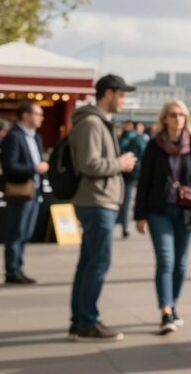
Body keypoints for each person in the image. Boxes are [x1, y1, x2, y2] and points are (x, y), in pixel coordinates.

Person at [69, 74, 138, 342]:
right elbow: (89, 164)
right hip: (97, 201)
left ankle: (80, 320)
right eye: (121, 95)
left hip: (98, 200)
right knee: (98, 262)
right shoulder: (91, 123)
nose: (123, 100)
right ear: (108, 93)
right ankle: (87, 321)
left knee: (88, 262)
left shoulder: (96, 122)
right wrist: (119, 164)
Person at [133, 100, 191, 334]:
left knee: (181, 263)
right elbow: (144, 180)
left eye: (182, 115)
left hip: (186, 211)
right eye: (173, 115)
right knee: (166, 260)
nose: (178, 120)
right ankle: (165, 311)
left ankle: (173, 302)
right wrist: (140, 215)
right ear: (164, 118)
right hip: (159, 211)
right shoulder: (154, 146)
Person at [1, 102, 47, 285]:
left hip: (33, 192)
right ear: (26, 115)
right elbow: (10, 166)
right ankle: (12, 271)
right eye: (38, 114)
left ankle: (18, 268)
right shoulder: (14, 137)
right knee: (16, 233)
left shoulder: (35, 137)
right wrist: (34, 168)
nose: (41, 118)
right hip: (20, 192)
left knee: (26, 233)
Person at [117, 120, 147, 239]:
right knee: (122, 200)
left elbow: (143, 155)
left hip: (130, 173)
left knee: (126, 199)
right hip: (118, 172)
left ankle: (124, 225)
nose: (126, 127)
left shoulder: (136, 139)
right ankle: (122, 223)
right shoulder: (120, 138)